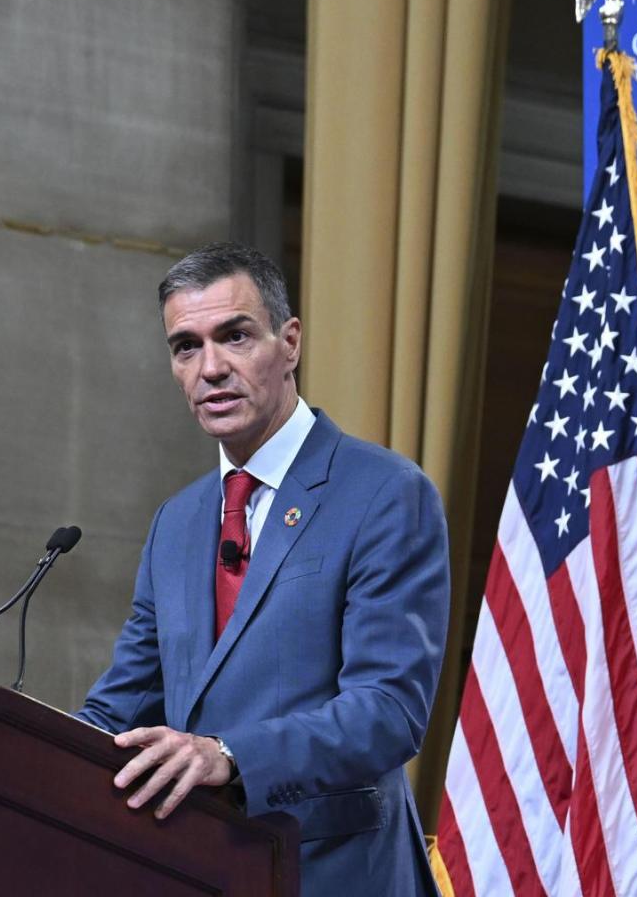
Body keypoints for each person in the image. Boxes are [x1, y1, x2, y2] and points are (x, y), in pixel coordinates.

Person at [77, 242, 448, 896]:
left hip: (332, 874)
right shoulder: (178, 522)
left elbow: (387, 711)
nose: (210, 368)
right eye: (185, 346)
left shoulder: (384, 493)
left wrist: (228, 755)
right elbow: (120, 705)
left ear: (290, 343)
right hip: (198, 870)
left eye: (235, 336)